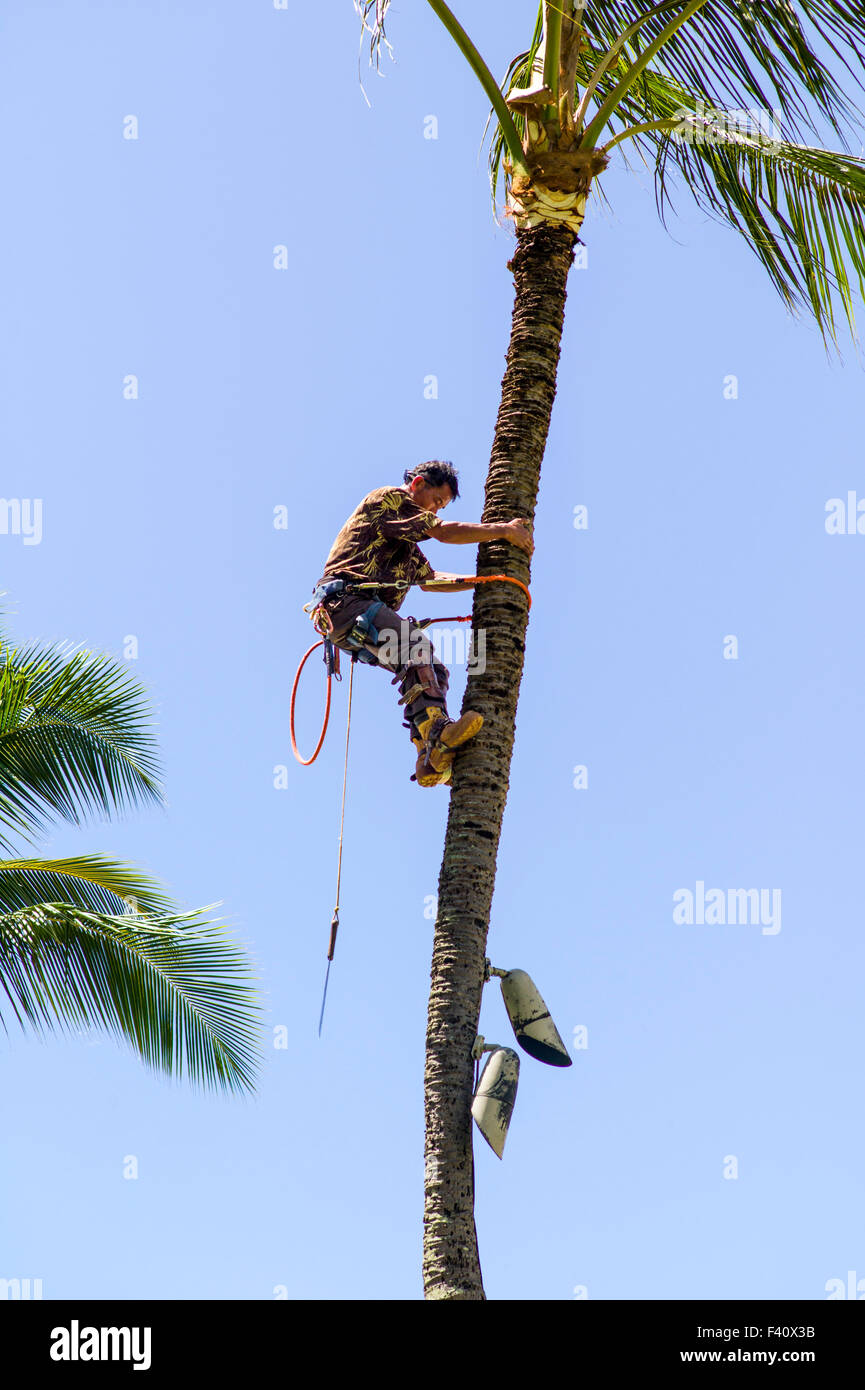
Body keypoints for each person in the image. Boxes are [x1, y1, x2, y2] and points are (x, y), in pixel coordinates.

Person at [308, 461, 533, 787]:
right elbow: (442, 531)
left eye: (441, 506)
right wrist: (503, 530)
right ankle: (438, 732)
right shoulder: (388, 500)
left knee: (434, 671)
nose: (435, 509)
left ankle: (429, 758)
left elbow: (430, 580)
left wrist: (485, 581)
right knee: (415, 648)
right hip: (346, 603)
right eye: (436, 500)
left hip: (354, 618)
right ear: (417, 484)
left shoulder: (405, 547)